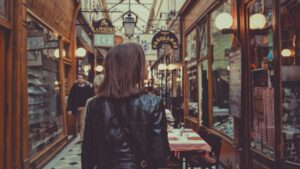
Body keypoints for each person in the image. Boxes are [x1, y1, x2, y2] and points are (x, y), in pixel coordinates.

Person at [82, 43, 170, 169]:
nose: (146, 66)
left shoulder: (94, 105)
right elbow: (160, 154)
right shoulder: (153, 103)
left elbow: (88, 154)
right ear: (135, 67)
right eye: (144, 62)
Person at [67, 73, 93, 140]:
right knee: (78, 124)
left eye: (81, 78)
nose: (79, 79)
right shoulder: (74, 87)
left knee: (82, 123)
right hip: (76, 108)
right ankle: (80, 135)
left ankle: (82, 138)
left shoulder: (87, 87)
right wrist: (69, 109)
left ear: (83, 79)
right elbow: (70, 98)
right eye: (78, 78)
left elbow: (92, 90)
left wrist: (87, 82)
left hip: (84, 108)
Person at [81, 74, 104, 141]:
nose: (98, 90)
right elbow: (84, 123)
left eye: (101, 87)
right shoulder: (90, 102)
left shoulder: (112, 101)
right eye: (96, 87)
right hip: (94, 139)